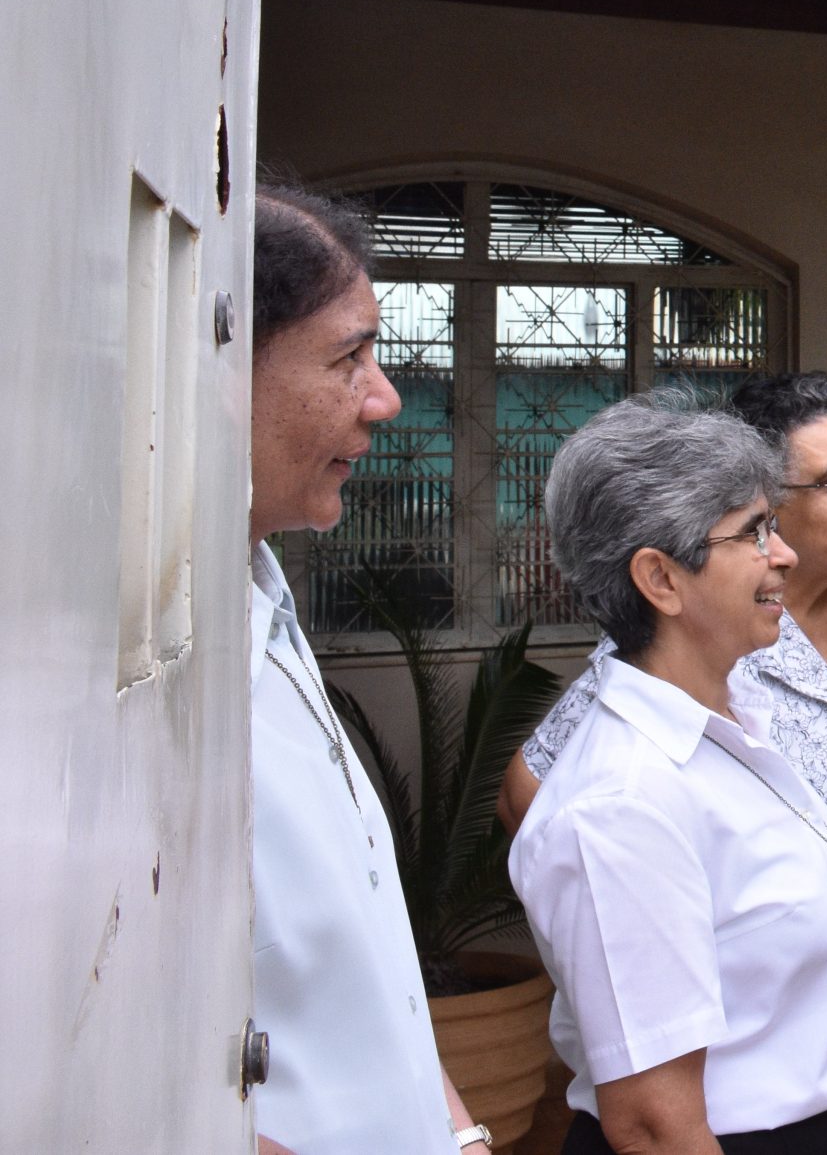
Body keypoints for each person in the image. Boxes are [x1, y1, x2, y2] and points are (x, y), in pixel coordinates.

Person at [504, 373, 827, 1155]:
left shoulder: (742, 720)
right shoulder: (622, 794)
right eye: (756, 531)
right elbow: (658, 1123)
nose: (782, 555)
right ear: (661, 578)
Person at [247, 183, 492, 1155]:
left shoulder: (265, 612)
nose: (385, 398)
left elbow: (364, 974)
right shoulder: (134, 680)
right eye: (349, 357)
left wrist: (459, 1134)